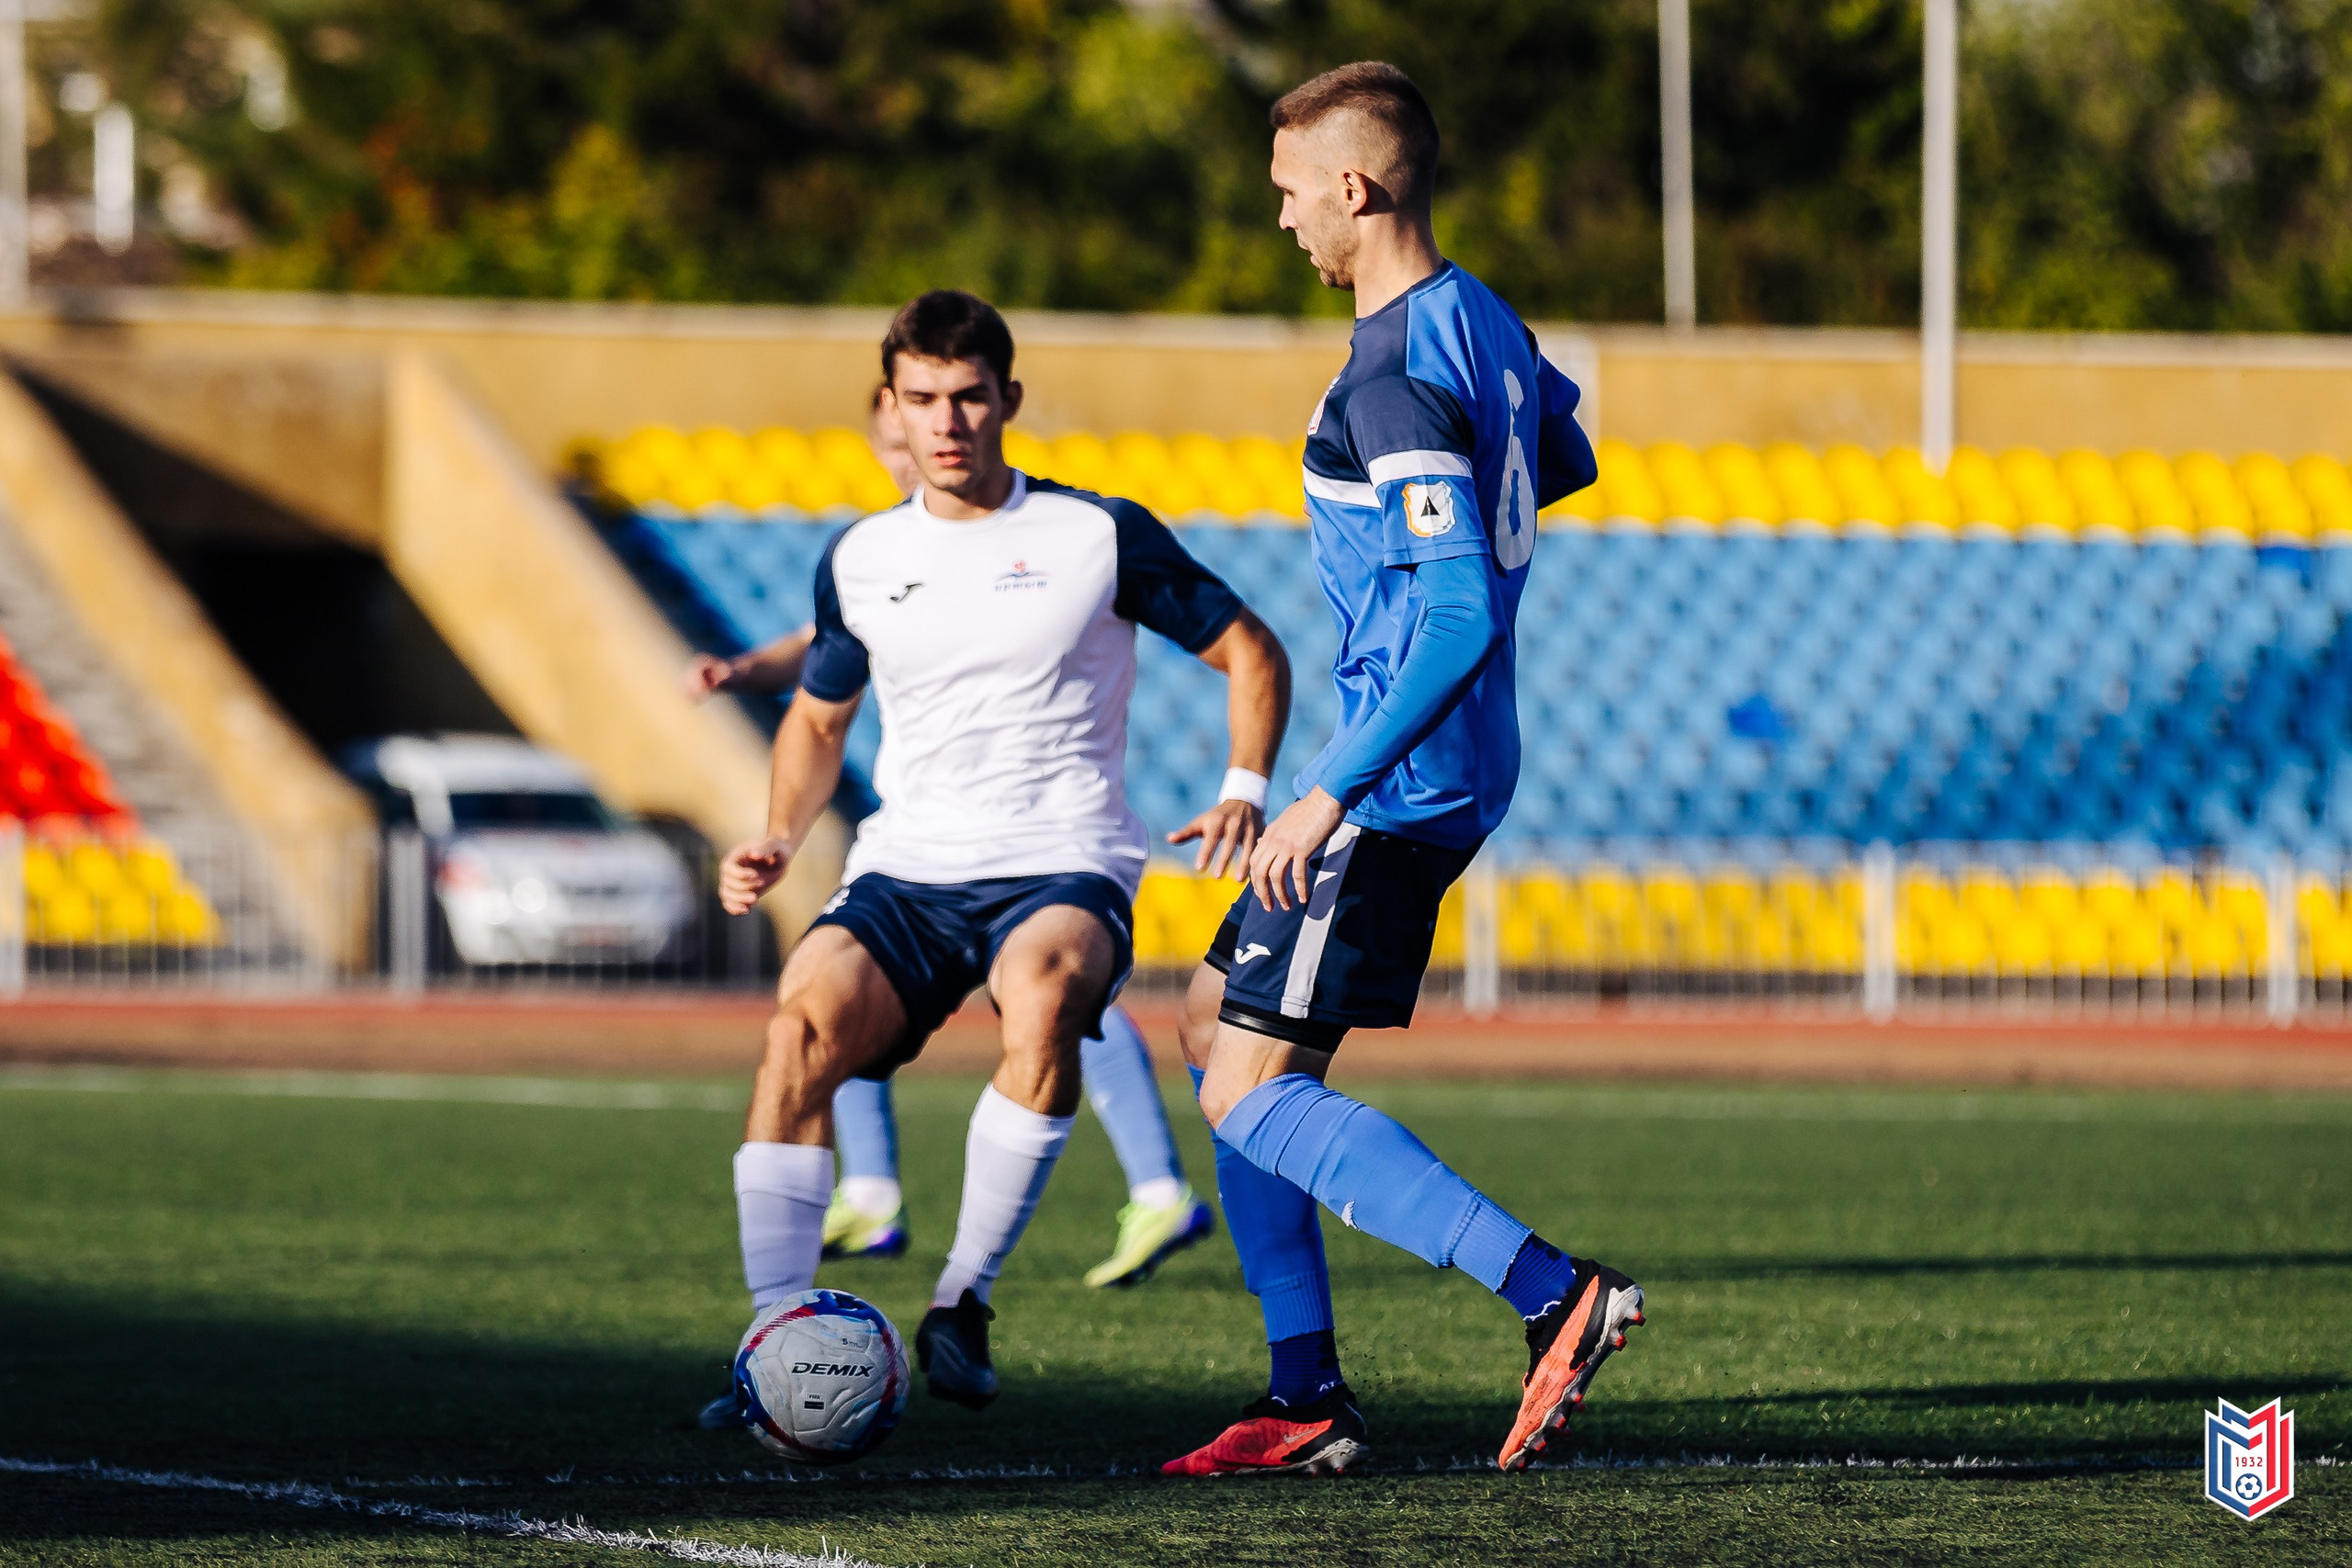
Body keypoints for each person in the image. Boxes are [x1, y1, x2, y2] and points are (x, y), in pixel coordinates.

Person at [1159, 62, 1634, 1480]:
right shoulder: (1481, 317)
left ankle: (1553, 1293)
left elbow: (1455, 613)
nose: (1286, 221)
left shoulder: (1386, 374)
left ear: (1355, 190)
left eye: (1293, 194)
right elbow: (1566, 452)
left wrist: (1326, 790)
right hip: (1441, 761)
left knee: (1245, 1088)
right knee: (1211, 1024)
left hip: (1400, 778)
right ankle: (1305, 1392)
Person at [705, 288, 1293, 1423]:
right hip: (907, 866)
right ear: (890, 407)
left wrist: (1243, 790)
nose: (947, 420)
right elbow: (818, 720)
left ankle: (961, 1301)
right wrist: (778, 832)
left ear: (1008, 400)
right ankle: (771, 1340)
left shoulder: (1095, 533)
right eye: (922, 399)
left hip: (1064, 859)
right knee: (794, 1032)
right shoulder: (862, 556)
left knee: (1048, 992)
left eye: (970, 397)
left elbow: (1250, 649)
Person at [680, 389, 1219, 1294]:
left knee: (1054, 995)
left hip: (1043, 840)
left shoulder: (1040, 536)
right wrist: (747, 676)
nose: (923, 451)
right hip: (923, 840)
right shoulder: (878, 551)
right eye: (900, 440)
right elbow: (828, 647)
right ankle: (867, 1203)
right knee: (826, 1000)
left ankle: (1104, 1208)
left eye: (944, 418)